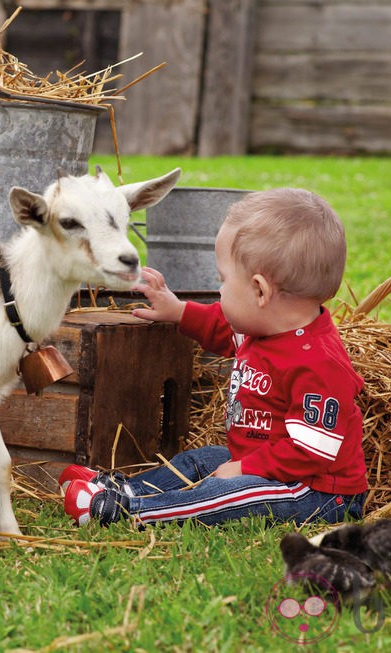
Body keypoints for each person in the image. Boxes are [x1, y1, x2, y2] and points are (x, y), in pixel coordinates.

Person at [61, 187, 368, 528]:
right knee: (203, 459)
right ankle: (126, 489)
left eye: (223, 279)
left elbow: (309, 451)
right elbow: (221, 328)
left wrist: (247, 469)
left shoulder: (318, 364)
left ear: (260, 291)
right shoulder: (264, 328)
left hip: (316, 493)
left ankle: (132, 512)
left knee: (233, 494)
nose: (219, 290)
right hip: (262, 465)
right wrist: (177, 311)